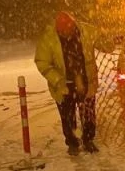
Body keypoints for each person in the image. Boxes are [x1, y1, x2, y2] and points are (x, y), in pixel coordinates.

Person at [35, 11, 102, 155]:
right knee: (67, 115)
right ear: (58, 29)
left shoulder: (87, 31)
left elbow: (105, 43)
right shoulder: (49, 38)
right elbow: (42, 62)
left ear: (74, 25)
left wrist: (106, 41)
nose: (66, 34)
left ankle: (88, 139)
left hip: (86, 81)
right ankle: (72, 143)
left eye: (69, 30)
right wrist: (58, 80)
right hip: (64, 85)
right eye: (62, 31)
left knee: (88, 113)